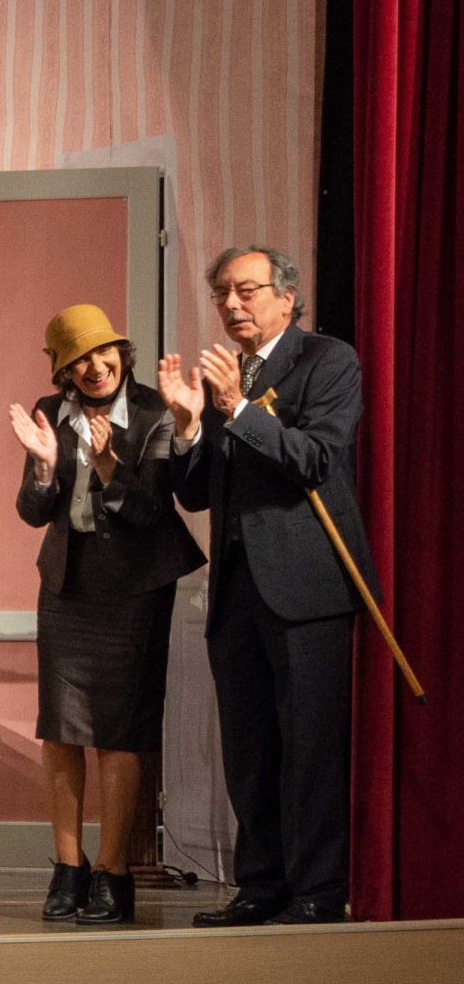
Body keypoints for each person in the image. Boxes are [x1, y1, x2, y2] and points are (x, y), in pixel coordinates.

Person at [168, 245, 369, 927]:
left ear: (285, 297)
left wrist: (239, 408)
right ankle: (259, 884)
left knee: (309, 747)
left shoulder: (326, 361)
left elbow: (314, 458)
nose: (231, 305)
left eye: (246, 290)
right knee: (249, 748)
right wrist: (188, 426)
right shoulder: (227, 374)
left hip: (306, 588)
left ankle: (316, 889)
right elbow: (197, 493)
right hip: (235, 591)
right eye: (221, 293)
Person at [6, 305, 202, 926]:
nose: (94, 368)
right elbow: (33, 513)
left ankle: (113, 874)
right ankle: (68, 868)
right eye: (78, 360)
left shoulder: (152, 412)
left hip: (135, 589)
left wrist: (110, 465)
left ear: (122, 351)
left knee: (120, 732)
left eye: (103, 353)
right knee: (61, 729)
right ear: (62, 370)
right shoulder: (51, 411)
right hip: (69, 585)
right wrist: (44, 467)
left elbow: (150, 511)